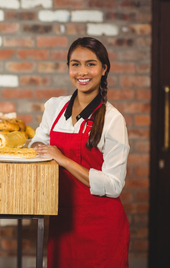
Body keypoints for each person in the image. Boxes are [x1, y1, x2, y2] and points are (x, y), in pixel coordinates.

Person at [30, 37, 130, 267]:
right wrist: (38, 149)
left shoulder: (113, 119)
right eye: (75, 64)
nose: (82, 71)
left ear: (104, 69)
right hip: (63, 222)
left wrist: (63, 160)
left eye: (90, 64)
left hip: (100, 226)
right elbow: (38, 141)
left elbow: (114, 186)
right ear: (68, 68)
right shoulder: (55, 106)